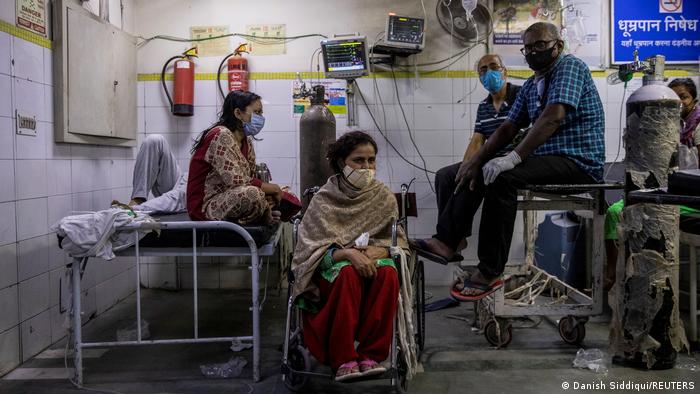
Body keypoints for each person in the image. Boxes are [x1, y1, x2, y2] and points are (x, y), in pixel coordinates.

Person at [414, 22, 605, 299]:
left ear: (558, 45)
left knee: (502, 178)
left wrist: (513, 158)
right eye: (527, 48)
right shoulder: (532, 84)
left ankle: (490, 272)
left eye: (540, 45)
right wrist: (475, 161)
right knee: (477, 171)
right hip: (549, 160)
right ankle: (447, 241)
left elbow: (554, 116)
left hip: (579, 162)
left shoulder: (569, 67)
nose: (533, 52)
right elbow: (508, 127)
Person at [291, 131, 414, 382]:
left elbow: (398, 242)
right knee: (347, 273)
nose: (366, 167)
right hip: (331, 270)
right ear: (341, 163)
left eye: (371, 161)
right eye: (358, 160)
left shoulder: (383, 197)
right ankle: (343, 358)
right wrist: (346, 253)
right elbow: (309, 253)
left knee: (389, 273)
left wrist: (381, 250)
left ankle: (371, 355)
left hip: (373, 260)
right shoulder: (324, 200)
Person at [424, 53, 522, 263]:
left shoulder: (520, 96)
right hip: (488, 160)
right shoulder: (484, 106)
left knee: (476, 174)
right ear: (480, 78)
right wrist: (466, 168)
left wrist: (474, 168)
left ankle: (446, 239)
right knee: (446, 176)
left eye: (494, 66)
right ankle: (457, 239)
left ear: (504, 71)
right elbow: (477, 140)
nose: (489, 73)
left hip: (514, 161)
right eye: (483, 70)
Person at [604, 78, 700, 290]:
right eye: (675, 97)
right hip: (662, 189)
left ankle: (649, 284)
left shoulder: (696, 127)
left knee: (648, 210)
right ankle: (614, 274)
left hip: (688, 196)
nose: (680, 103)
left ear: (694, 100)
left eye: (683, 97)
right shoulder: (663, 127)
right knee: (614, 212)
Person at [187, 90, 300, 224]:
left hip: (233, 195)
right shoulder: (220, 135)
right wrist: (272, 189)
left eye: (261, 113)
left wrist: (273, 193)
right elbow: (236, 181)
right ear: (238, 113)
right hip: (206, 206)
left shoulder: (247, 141)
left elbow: (250, 179)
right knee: (254, 195)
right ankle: (263, 214)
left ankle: (263, 212)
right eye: (257, 113)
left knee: (287, 193)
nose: (261, 118)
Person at [127, 134, 188, 214]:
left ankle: (135, 208)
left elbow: (177, 197)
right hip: (185, 179)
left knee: (176, 198)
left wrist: (134, 210)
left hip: (195, 191)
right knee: (154, 140)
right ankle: (138, 198)